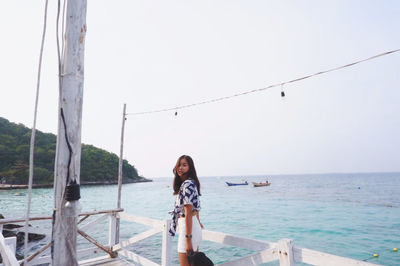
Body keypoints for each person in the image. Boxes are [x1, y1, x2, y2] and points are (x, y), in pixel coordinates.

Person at [169, 155, 203, 266]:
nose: (180, 168)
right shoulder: (190, 182)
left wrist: (188, 240)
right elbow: (194, 209)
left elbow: (188, 212)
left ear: (190, 167)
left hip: (188, 231)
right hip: (191, 226)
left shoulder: (187, 184)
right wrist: (197, 221)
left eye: (184, 165)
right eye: (179, 165)